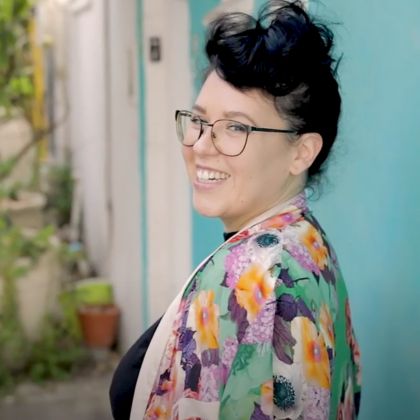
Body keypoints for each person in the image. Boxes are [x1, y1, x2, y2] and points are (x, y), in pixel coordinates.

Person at [110, 1, 362, 418]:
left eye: (235, 127)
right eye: (199, 120)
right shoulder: (307, 244)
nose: (200, 145)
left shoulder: (258, 279)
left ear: (302, 152)